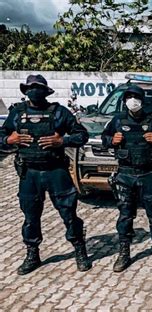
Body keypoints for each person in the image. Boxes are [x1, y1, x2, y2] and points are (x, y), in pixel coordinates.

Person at [0, 74, 91, 275]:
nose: (34, 90)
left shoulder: (59, 112)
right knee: (31, 216)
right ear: (26, 90)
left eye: (38, 87)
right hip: (29, 173)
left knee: (68, 213)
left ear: (45, 90)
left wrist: (62, 142)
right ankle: (32, 253)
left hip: (56, 171)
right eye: (30, 87)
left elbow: (82, 135)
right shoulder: (17, 113)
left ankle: (79, 249)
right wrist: (9, 140)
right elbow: (1, 136)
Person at [101, 84, 152, 272]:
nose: (132, 101)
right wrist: (112, 141)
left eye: (136, 97)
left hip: (148, 175)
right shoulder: (117, 121)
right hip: (125, 175)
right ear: (124, 101)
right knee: (126, 216)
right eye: (129, 97)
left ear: (142, 101)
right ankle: (124, 253)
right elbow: (103, 138)